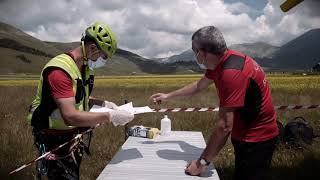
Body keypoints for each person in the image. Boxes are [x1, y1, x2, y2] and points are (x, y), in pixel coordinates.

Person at [150, 26, 279, 180]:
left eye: (194, 50)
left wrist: (201, 164)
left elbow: (225, 126)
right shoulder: (222, 62)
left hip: (257, 138)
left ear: (202, 53)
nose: (194, 55)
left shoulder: (231, 72)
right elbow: (199, 86)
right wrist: (167, 96)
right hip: (245, 132)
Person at [27, 21, 134, 180]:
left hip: (72, 135)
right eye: (103, 56)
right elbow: (69, 115)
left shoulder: (84, 68)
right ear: (92, 48)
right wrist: (109, 116)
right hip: (52, 138)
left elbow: (78, 96)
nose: (103, 60)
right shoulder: (60, 71)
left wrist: (104, 104)